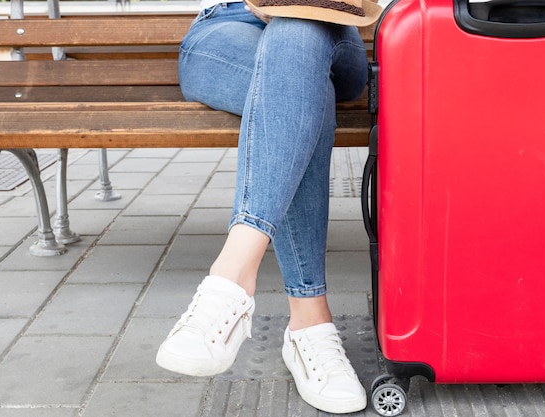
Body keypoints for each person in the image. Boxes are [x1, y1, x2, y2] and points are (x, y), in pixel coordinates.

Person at [155, 0, 381, 413]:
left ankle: (231, 277)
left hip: (332, 26)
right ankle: (309, 326)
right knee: (306, 96)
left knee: (298, 27)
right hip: (226, 27)